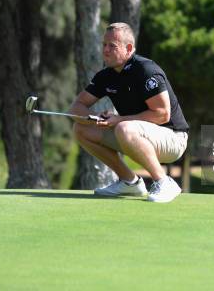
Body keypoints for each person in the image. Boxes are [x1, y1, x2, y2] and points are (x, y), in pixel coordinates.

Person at [69, 22, 189, 203]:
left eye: (112, 46)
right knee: (81, 129)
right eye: (104, 45)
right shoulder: (106, 75)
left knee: (124, 128)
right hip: (132, 132)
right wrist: (93, 120)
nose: (106, 50)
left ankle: (164, 182)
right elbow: (77, 106)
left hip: (173, 138)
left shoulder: (145, 70)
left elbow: (162, 114)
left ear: (129, 48)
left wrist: (118, 119)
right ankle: (130, 182)